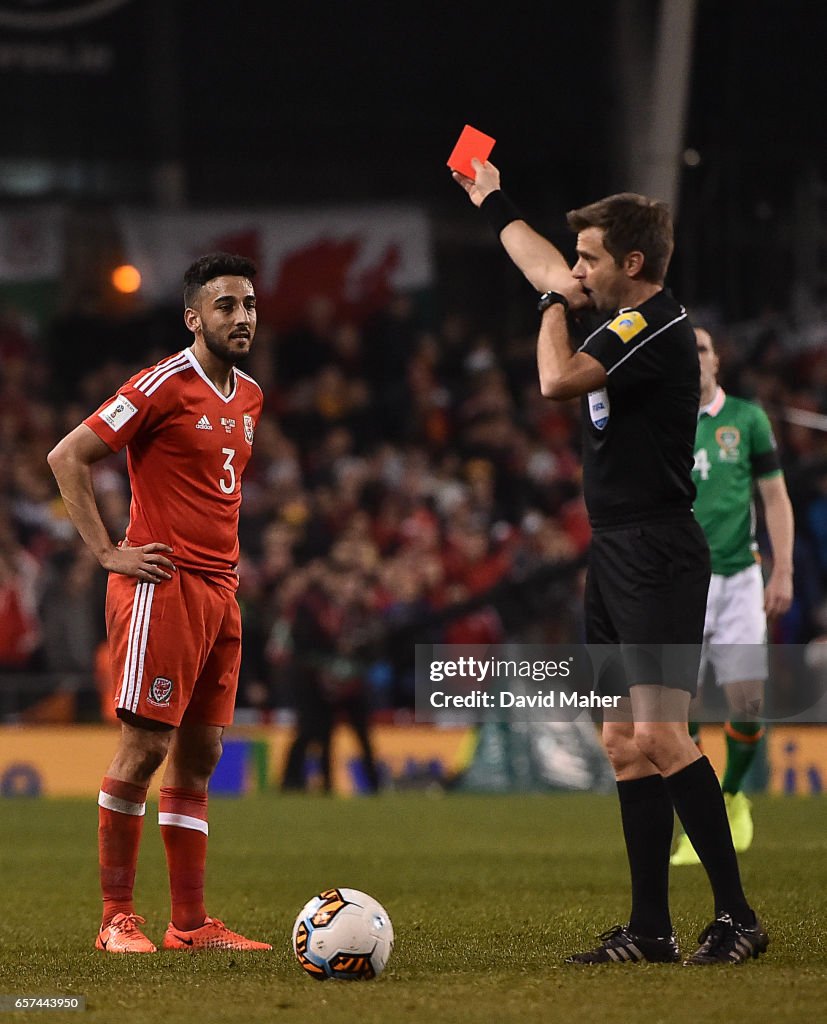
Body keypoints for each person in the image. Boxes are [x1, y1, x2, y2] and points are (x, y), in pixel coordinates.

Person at [453, 159, 768, 965]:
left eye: (588, 257)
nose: (575, 268)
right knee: (625, 742)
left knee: (662, 735)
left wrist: (554, 302)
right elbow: (538, 262)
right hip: (617, 549)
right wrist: (491, 196)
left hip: (658, 551)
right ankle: (650, 930)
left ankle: (737, 917)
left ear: (630, 265)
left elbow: (556, 378)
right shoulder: (620, 313)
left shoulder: (649, 328)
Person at [47, 252, 272, 954]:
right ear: (193, 317)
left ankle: (191, 925)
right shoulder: (161, 383)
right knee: (145, 747)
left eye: (248, 305)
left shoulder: (251, 394)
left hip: (221, 592)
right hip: (162, 587)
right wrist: (108, 551)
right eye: (226, 306)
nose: (241, 317)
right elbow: (67, 456)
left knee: (200, 756)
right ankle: (116, 917)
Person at [671, 327, 794, 865]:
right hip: (681, 582)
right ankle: (700, 824)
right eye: (686, 351)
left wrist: (783, 570)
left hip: (741, 578)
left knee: (747, 704)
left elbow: (775, 498)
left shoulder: (747, 420)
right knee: (681, 713)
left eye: (701, 349)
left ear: (716, 359)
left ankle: (734, 795)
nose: (695, 359)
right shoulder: (665, 422)